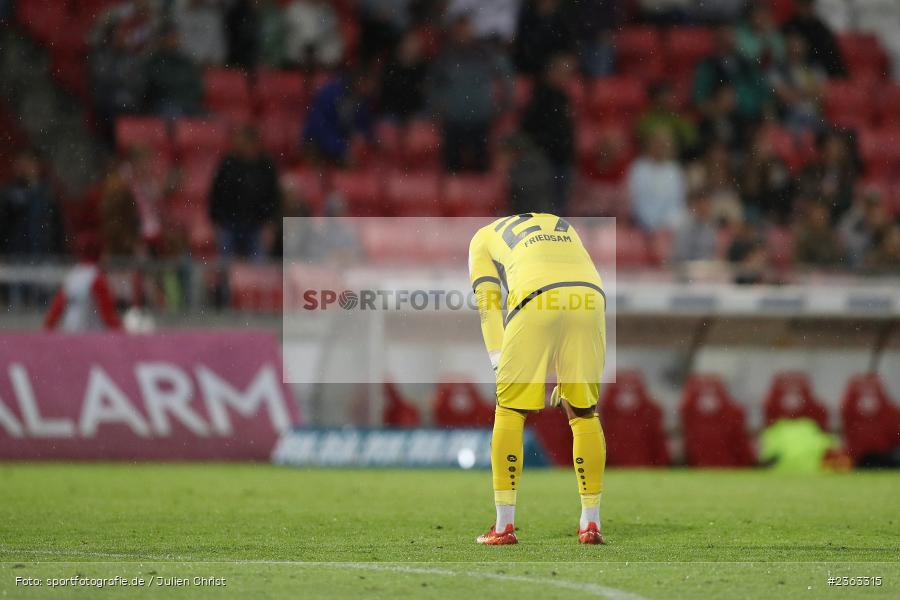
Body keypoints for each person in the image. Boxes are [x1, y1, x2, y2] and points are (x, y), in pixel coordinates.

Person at [469, 213, 607, 545]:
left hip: (536, 294)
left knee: (510, 409)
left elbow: (489, 304)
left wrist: (499, 360)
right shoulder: (560, 223)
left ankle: (504, 526)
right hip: (590, 297)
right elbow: (569, 276)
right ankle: (591, 522)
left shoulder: (481, 239)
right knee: (583, 411)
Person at [428, 14, 512, 172]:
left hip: (480, 119)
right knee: (451, 169)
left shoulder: (486, 54)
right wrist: (435, 111)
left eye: (466, 29)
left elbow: (506, 79)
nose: (463, 34)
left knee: (482, 170)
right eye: (459, 30)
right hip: (453, 120)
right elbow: (433, 85)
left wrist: (503, 106)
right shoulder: (446, 56)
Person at [209, 125, 281, 259]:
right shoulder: (228, 165)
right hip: (229, 224)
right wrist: (217, 221)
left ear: (251, 142)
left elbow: (273, 198)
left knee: (259, 264)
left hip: (257, 225)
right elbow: (216, 195)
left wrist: (269, 223)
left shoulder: (266, 167)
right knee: (225, 264)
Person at [520, 54, 576, 214]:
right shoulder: (540, 97)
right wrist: (545, 147)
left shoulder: (563, 97)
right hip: (545, 161)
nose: (565, 78)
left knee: (559, 205)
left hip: (562, 160)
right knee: (546, 205)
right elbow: (528, 128)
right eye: (562, 72)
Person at [693, 25, 771, 123]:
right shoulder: (708, 65)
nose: (730, 40)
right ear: (718, 40)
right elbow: (700, 99)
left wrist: (768, 121)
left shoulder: (745, 62)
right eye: (725, 37)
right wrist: (717, 111)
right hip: (723, 118)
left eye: (731, 36)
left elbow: (763, 93)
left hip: (754, 117)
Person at [44, 236, 122, 332]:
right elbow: (108, 315)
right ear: (100, 253)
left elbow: (56, 310)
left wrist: (45, 331)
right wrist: (123, 334)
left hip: (70, 333)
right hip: (90, 335)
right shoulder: (96, 277)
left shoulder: (73, 276)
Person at [302, 70, 377, 166]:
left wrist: (364, 138)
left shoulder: (364, 101)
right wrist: (342, 148)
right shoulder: (330, 93)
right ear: (359, 80)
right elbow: (318, 128)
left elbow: (364, 128)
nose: (372, 87)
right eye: (370, 82)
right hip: (319, 145)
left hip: (343, 146)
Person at [0, 150, 64, 260]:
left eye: (28, 163)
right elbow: (3, 225)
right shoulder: (9, 194)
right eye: (21, 164)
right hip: (15, 256)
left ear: (38, 165)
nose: (24, 168)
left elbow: (58, 227)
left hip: (45, 256)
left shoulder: (49, 193)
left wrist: (60, 252)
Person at [627, 127, 687, 233]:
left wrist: (664, 226)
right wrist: (647, 224)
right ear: (649, 144)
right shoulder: (638, 168)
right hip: (639, 224)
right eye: (656, 143)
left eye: (663, 144)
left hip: (667, 228)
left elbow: (676, 203)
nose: (660, 147)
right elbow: (634, 199)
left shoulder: (674, 171)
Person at [769, 34, 826, 133]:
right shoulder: (777, 69)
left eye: (797, 46)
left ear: (805, 47)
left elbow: (822, 93)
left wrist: (796, 93)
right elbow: (785, 97)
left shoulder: (814, 69)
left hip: (814, 116)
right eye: (791, 46)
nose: (794, 50)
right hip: (791, 117)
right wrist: (810, 92)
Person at [798, 129, 858, 224]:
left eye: (837, 147)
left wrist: (833, 198)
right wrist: (821, 191)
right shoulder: (812, 169)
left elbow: (848, 198)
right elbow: (805, 190)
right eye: (830, 146)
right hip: (813, 212)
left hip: (839, 217)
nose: (833, 151)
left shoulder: (848, 173)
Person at [144, 24, 204, 117]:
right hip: (163, 105)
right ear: (162, 40)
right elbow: (154, 88)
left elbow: (197, 87)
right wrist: (178, 88)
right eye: (170, 37)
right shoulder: (153, 62)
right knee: (174, 114)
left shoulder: (186, 61)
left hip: (188, 103)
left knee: (212, 119)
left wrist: (186, 96)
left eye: (175, 37)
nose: (174, 40)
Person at [782, 0, 846, 77]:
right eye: (803, 5)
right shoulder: (790, 27)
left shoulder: (820, 27)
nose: (806, 8)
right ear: (797, 6)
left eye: (808, 5)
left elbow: (832, 54)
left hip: (822, 70)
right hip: (801, 68)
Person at [636, 81, 697, 159]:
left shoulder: (679, 118)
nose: (666, 99)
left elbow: (691, 140)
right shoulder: (646, 118)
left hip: (674, 158)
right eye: (663, 96)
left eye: (669, 96)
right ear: (656, 98)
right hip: (650, 158)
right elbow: (639, 138)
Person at [378, 31, 428, 122]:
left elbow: (421, 95)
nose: (411, 48)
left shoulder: (423, 69)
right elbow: (385, 93)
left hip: (413, 113)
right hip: (390, 112)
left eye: (414, 45)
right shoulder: (390, 65)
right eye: (409, 43)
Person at [500, 132, 554, 214]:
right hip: (525, 210)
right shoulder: (518, 164)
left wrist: (507, 174)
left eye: (507, 152)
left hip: (536, 211)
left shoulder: (532, 163)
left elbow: (531, 186)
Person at [284, 0, 343, 69]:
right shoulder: (295, 8)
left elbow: (331, 36)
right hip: (297, 61)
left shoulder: (326, 9)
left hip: (324, 61)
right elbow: (288, 37)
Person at [172, 0, 227, 65]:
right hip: (187, 60)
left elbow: (219, 55)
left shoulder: (213, 18)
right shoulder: (180, 14)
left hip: (211, 61)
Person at [672, 189, 718, 263]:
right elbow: (681, 256)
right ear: (695, 206)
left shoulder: (713, 226)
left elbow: (715, 253)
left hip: (709, 266)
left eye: (706, 204)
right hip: (688, 266)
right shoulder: (684, 227)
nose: (704, 208)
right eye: (701, 205)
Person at [793, 202, 844, 267]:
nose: (819, 220)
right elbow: (799, 261)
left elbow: (838, 260)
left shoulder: (832, 237)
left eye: (821, 216)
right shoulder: (804, 237)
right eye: (816, 216)